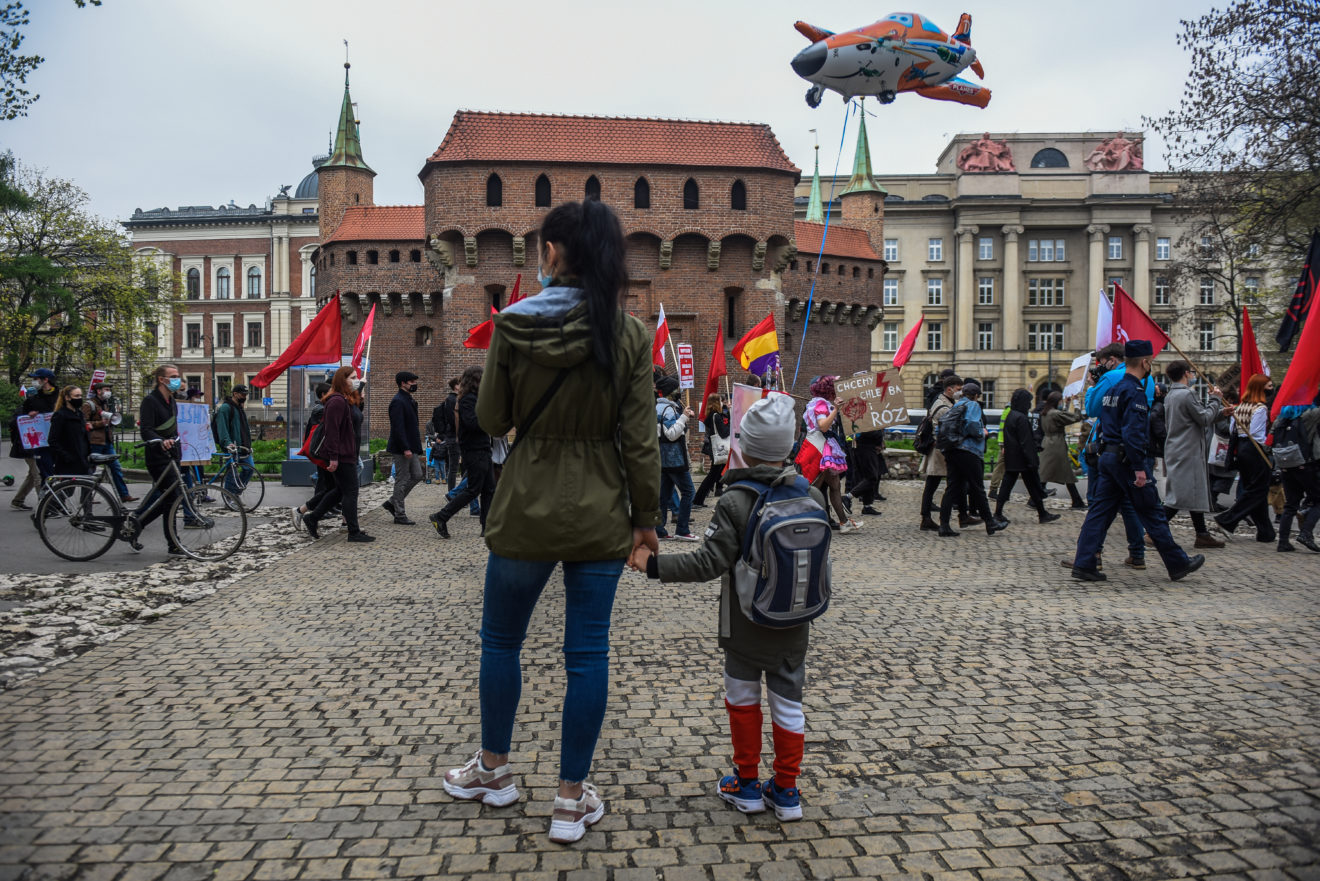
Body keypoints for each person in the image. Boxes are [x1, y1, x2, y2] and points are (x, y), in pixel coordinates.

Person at [440, 199, 660, 845]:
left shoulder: (512, 326)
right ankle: (569, 800)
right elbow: (641, 439)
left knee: (500, 641)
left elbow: (489, 417)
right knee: (587, 653)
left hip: (525, 504)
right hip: (601, 510)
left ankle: (495, 771)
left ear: (555, 254)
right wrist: (645, 519)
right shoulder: (629, 334)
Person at [633, 394, 818, 822]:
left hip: (745, 619)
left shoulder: (735, 501)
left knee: (743, 696)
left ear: (745, 446)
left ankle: (747, 783)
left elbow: (706, 563)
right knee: (789, 704)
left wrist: (653, 565)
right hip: (794, 621)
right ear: (788, 446)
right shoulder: (807, 494)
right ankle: (787, 791)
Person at [1071, 340, 1204, 582]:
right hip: (1126, 460)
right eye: (1150, 362)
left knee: (1099, 513)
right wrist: (1138, 469)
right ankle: (1178, 563)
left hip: (1109, 457)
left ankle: (1084, 562)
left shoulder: (1111, 389)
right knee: (1152, 511)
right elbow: (1133, 433)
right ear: (1144, 362)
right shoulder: (1135, 393)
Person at [1079, 342, 1150, 570]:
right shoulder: (1147, 381)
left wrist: (1092, 386)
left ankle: (1092, 556)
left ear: (1112, 359)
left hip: (1111, 449)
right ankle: (1137, 553)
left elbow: (1092, 409)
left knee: (1098, 505)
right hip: (1135, 449)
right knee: (1131, 505)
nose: (1100, 366)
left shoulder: (1110, 379)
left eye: (1101, 362)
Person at [302, 366, 374, 543]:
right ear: (343, 380)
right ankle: (353, 531)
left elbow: (355, 417)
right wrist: (333, 457)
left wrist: (360, 393)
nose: (356, 379)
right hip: (341, 455)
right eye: (352, 377)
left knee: (341, 490)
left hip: (347, 452)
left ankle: (312, 517)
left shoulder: (345, 399)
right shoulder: (336, 401)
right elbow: (332, 431)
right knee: (350, 491)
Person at [1161, 360, 1226, 549]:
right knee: (1179, 496)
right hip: (1187, 450)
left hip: (1179, 448)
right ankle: (1154, 531)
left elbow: (1195, 417)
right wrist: (1216, 399)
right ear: (1185, 374)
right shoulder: (1187, 394)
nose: (1193, 376)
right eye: (1191, 373)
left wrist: (1222, 413)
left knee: (1195, 493)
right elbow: (1204, 418)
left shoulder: (1170, 395)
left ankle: (1202, 534)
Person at [428, 365, 494, 538]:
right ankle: (441, 517)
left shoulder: (476, 398)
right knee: (473, 489)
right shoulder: (467, 400)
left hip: (482, 449)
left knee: (489, 489)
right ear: (476, 380)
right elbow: (472, 423)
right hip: (474, 450)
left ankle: (487, 527)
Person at [135, 364, 192, 555]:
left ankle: (137, 524)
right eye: (173, 376)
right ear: (162, 379)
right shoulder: (150, 401)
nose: (177, 379)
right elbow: (146, 430)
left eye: (178, 375)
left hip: (172, 456)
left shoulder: (172, 402)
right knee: (172, 498)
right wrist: (160, 441)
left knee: (170, 499)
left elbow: (173, 429)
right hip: (158, 456)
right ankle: (173, 543)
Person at [795, 375, 862, 533]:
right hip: (819, 449)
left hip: (823, 447)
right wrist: (836, 409)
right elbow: (823, 426)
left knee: (835, 486)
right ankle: (803, 521)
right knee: (814, 488)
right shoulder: (820, 404)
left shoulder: (820, 403)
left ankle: (843, 522)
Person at [1215, 374, 1276, 542]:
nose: (1271, 389)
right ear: (1261, 388)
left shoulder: (1241, 406)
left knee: (1253, 488)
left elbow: (1234, 428)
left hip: (1242, 449)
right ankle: (1227, 519)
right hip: (1255, 449)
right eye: (1269, 386)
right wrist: (1269, 444)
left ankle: (1266, 531)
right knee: (1258, 489)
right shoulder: (1260, 408)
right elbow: (1256, 434)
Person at [937, 381, 1003, 537]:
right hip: (968, 451)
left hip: (953, 450)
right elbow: (973, 426)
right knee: (977, 487)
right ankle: (990, 522)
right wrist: (982, 433)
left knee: (952, 488)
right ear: (976, 395)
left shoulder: (956, 405)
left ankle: (944, 525)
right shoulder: (973, 405)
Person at [993, 388, 1059, 525]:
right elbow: (1025, 442)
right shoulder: (1021, 418)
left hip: (1013, 457)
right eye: (1028, 402)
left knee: (1019, 486)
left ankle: (1041, 513)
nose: (1030, 405)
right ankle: (1041, 513)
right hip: (1023, 459)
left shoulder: (1011, 415)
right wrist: (1032, 460)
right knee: (1031, 485)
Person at [919, 373, 974, 531]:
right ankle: (928, 518)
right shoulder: (942, 406)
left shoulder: (949, 402)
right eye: (959, 389)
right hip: (941, 449)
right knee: (938, 484)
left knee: (955, 482)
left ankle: (962, 515)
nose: (961, 392)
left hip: (943, 448)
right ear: (949, 389)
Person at [1273, 402, 1320, 552]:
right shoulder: (1309, 416)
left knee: (1291, 504)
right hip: (1305, 465)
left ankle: (1283, 542)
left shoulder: (1280, 419)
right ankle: (1306, 533)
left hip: (1287, 465)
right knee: (1318, 500)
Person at [655, 374, 697, 541]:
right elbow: (672, 434)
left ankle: (659, 529)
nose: (679, 392)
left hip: (662, 458)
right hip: (674, 459)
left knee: (663, 494)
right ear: (670, 392)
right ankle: (682, 529)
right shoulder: (668, 410)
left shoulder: (657, 408)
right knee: (688, 492)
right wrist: (684, 417)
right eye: (676, 389)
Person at [8, 367, 58, 509]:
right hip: (34, 444)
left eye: (36, 379)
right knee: (39, 475)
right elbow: (18, 420)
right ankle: (45, 506)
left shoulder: (59, 396)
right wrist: (29, 416)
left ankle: (18, 500)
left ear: (45, 380)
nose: (34, 381)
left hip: (52, 442)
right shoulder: (33, 400)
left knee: (33, 474)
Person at [291, 381, 333, 531]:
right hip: (323, 454)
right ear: (323, 395)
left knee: (330, 487)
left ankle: (313, 510)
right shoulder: (321, 409)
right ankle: (307, 511)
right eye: (331, 392)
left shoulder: (321, 408)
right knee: (328, 486)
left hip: (323, 453)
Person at [383, 371, 423, 525]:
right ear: (403, 383)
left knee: (417, 475)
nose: (414, 384)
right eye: (411, 381)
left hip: (411, 446)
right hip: (402, 448)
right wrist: (405, 448)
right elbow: (398, 428)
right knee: (402, 479)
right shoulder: (398, 401)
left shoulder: (408, 399)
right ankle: (399, 514)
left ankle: (392, 502)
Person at [85, 381, 134, 502]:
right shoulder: (89, 405)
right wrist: (100, 423)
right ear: (98, 391)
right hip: (95, 441)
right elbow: (83, 423)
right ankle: (86, 496)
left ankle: (124, 494)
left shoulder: (105, 404)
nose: (108, 392)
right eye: (106, 389)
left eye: (108, 390)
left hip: (107, 441)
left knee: (116, 467)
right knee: (90, 470)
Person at [1037, 392, 1086, 508]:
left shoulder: (1046, 412)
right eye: (1060, 401)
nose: (1061, 403)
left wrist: (1067, 405)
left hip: (1048, 442)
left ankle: (1076, 500)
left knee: (1047, 472)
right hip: (1056, 444)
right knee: (1063, 472)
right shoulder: (1054, 413)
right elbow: (1075, 417)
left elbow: (1062, 416)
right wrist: (1076, 404)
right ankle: (1077, 501)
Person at [213, 385, 255, 495]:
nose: (244, 397)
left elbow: (244, 428)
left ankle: (235, 494)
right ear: (235, 394)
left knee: (249, 469)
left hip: (243, 446)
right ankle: (229, 497)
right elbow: (222, 427)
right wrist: (227, 442)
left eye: (246, 395)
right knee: (232, 473)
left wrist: (248, 444)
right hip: (232, 446)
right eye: (242, 394)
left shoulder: (239, 408)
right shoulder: (226, 408)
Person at [693, 393, 730, 507]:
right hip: (717, 448)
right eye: (720, 400)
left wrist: (728, 411)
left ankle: (698, 500)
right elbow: (723, 433)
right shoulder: (716, 416)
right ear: (716, 402)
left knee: (713, 475)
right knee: (712, 476)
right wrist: (731, 423)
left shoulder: (711, 415)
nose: (722, 402)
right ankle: (697, 500)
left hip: (714, 448)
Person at [47, 385, 91, 477]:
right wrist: (66, 456)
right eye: (76, 396)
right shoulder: (60, 415)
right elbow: (52, 440)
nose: (79, 398)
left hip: (82, 459)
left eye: (80, 396)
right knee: (66, 489)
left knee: (88, 488)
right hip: (67, 463)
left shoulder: (80, 414)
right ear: (67, 398)